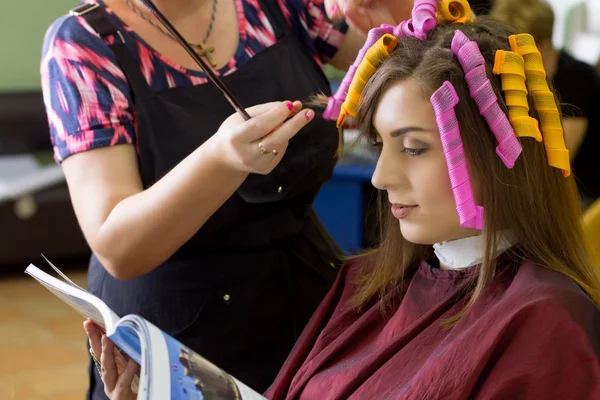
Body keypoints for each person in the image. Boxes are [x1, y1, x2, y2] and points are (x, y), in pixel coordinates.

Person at [88, 1, 600, 398]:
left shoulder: (546, 325)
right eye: (380, 145)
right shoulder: (363, 284)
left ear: (497, 150)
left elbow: (426, 50)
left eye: (414, 147)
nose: (380, 177)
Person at [41, 0, 412, 397]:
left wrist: (400, 23)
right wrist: (220, 160)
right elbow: (119, 246)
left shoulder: (278, 7)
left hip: (305, 297)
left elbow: (407, 73)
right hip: (177, 338)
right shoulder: (84, 45)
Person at [492, 0, 600, 208]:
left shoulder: (577, 78)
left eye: (513, 54)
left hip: (582, 190)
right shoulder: (517, 77)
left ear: (538, 47)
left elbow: (558, 160)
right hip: (542, 184)